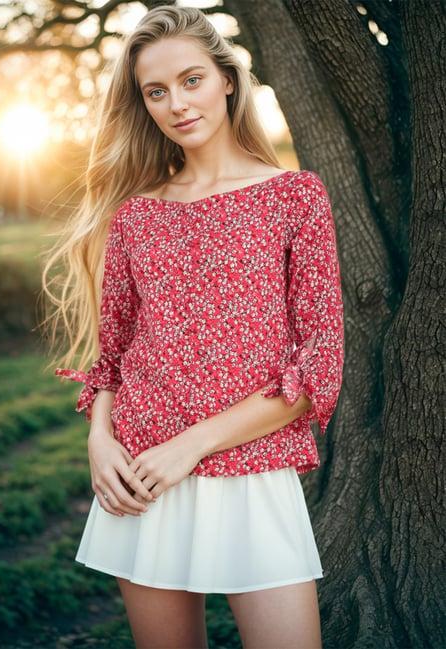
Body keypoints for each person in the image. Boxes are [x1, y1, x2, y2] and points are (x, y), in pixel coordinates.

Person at [43, 5, 344, 648]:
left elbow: (318, 365)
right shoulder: (137, 217)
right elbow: (115, 354)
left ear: (227, 80)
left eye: (191, 80)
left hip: (251, 469)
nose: (176, 103)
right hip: (141, 476)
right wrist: (100, 439)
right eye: (156, 91)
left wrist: (193, 446)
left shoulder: (295, 197)